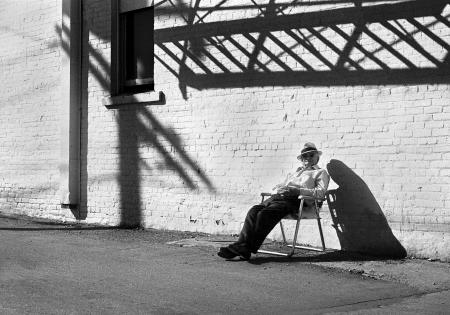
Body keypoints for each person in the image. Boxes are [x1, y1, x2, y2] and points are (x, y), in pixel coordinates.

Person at [218, 142, 330, 260]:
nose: (308, 158)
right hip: (277, 197)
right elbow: (282, 185)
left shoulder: (321, 173)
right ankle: (243, 248)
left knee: (264, 214)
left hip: (296, 201)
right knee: (254, 210)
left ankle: (243, 247)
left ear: (317, 157)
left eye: (311, 155)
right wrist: (278, 189)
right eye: (304, 156)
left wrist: (298, 191)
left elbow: (320, 193)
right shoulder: (295, 172)